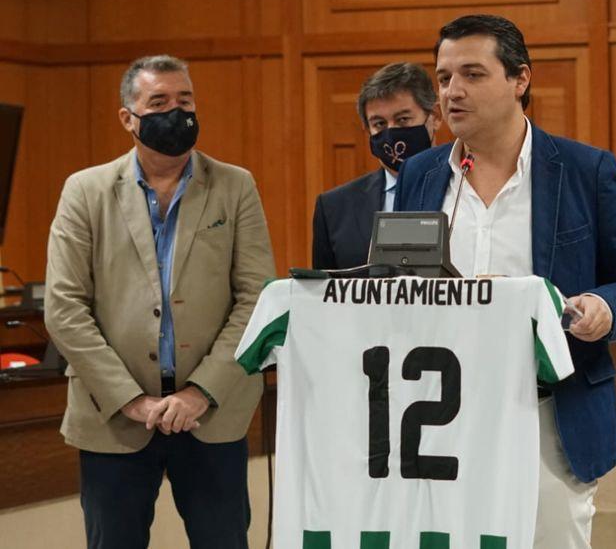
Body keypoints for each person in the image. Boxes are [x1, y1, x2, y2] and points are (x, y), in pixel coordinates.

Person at [395, 14, 616, 548]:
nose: (452, 91)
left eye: (473, 74)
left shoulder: (584, 170)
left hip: (546, 411)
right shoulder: (421, 175)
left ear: (520, 80)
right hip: (437, 414)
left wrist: (605, 307)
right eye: (444, 77)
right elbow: (396, 280)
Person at [44, 55, 276, 549]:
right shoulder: (85, 191)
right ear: (128, 117)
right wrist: (131, 399)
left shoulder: (236, 186)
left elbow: (257, 299)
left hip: (211, 415)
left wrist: (199, 392)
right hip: (113, 419)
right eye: (159, 102)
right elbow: (65, 308)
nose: (177, 112)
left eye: (185, 100)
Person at [312, 62, 442, 269]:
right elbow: (323, 294)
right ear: (367, 129)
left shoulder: (464, 188)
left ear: (434, 117)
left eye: (403, 119)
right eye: (379, 124)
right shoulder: (334, 208)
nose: (391, 132)